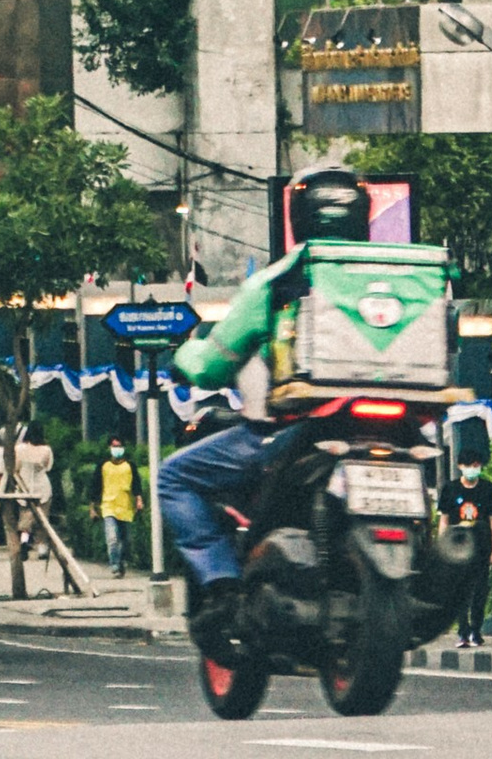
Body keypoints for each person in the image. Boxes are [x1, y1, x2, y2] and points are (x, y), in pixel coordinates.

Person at [158, 177, 379, 644]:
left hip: (288, 431)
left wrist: (185, 358)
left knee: (173, 477)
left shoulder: (276, 281)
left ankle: (220, 581)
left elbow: (213, 365)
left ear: (299, 219)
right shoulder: (402, 274)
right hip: (392, 427)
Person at [443, 444, 492, 648]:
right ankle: (463, 631)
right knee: (459, 589)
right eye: (468, 465)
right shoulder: (450, 489)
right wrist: (443, 545)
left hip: (481, 544)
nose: (472, 469)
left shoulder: (488, 489)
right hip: (458, 545)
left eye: (476, 465)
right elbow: (444, 520)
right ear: (460, 466)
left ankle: (476, 629)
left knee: (480, 590)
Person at [98, 439, 139, 577]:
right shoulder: (104, 466)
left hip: (126, 507)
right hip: (108, 506)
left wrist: (139, 499)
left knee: (126, 540)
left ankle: (122, 562)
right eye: (114, 446)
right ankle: (114, 565)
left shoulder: (130, 466)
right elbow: (96, 485)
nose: (117, 449)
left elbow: (136, 484)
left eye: (119, 446)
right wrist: (92, 506)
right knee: (112, 538)